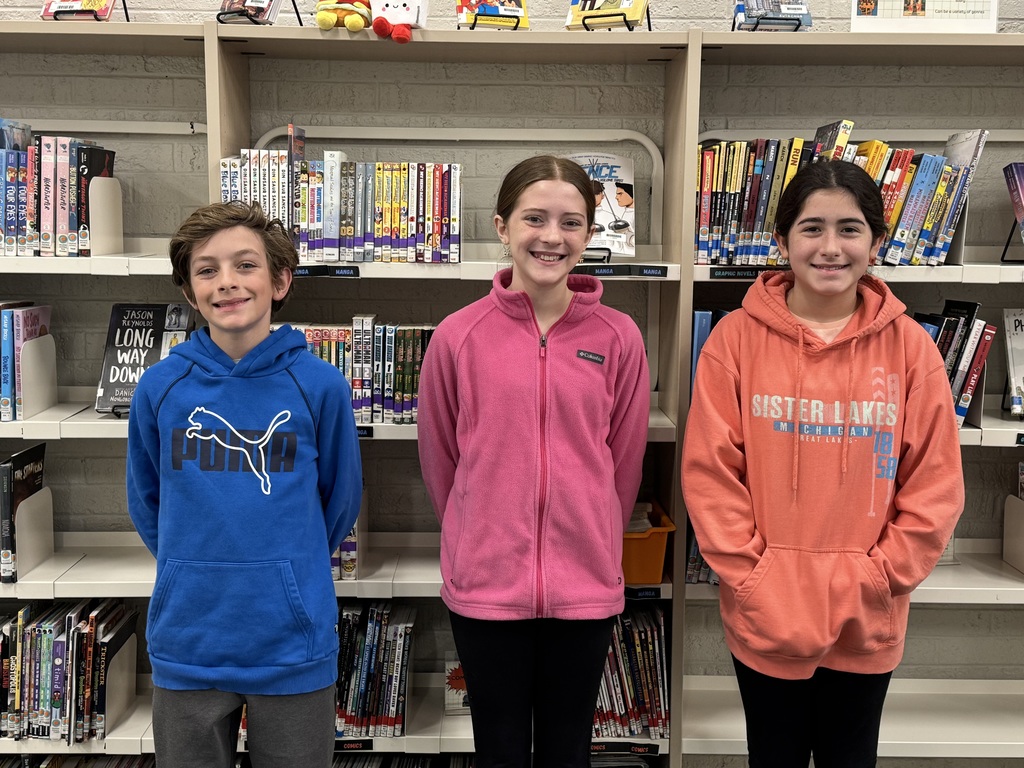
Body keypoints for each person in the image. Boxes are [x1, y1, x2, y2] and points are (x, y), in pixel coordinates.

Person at [681, 159, 965, 768]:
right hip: (767, 613)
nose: (830, 247)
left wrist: (881, 577)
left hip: (868, 616)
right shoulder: (734, 339)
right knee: (773, 757)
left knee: (851, 758)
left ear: (876, 243)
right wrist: (754, 578)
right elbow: (710, 474)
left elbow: (935, 483)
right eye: (811, 228)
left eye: (849, 229)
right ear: (782, 241)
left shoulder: (912, 349)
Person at [417, 155, 650, 768]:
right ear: (502, 227)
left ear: (589, 232)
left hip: (585, 585)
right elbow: (442, 461)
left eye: (571, 222)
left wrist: (596, 534)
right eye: (534, 218)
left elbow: (623, 464)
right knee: (498, 749)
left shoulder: (619, 336)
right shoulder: (458, 336)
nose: (552, 236)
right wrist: (476, 532)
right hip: (486, 585)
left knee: (568, 749)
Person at [126, 201, 363, 768]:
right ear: (190, 292)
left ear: (280, 281)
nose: (227, 282)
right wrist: (192, 567)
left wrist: (286, 570)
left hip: (292, 641)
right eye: (207, 270)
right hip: (189, 639)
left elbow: (339, 503)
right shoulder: (159, 387)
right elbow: (147, 500)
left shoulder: (320, 385)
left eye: (245, 265)